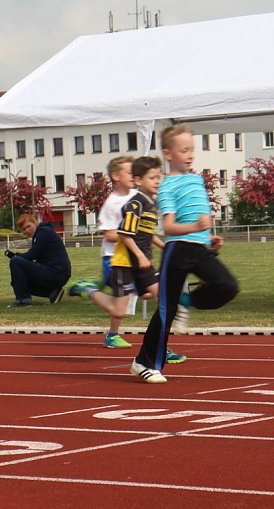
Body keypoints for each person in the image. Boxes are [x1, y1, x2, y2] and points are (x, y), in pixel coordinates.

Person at [130, 124, 239, 384]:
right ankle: (144, 363)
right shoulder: (167, 187)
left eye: (192, 149)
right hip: (177, 250)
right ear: (168, 153)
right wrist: (195, 227)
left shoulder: (197, 180)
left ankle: (187, 303)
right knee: (166, 311)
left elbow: (197, 217)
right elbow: (168, 227)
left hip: (199, 248)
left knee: (228, 286)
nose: (190, 154)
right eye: (183, 150)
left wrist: (208, 236)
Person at [66, 156, 186, 366]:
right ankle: (89, 289)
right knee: (118, 311)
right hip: (122, 262)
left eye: (159, 177)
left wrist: (163, 245)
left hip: (141, 262)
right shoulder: (127, 203)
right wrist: (138, 251)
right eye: (152, 177)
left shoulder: (147, 200)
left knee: (163, 297)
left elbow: (146, 232)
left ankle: (159, 346)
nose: (158, 181)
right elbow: (120, 234)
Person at [90, 155, 137, 349]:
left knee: (126, 301)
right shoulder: (111, 203)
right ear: (116, 176)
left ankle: (112, 334)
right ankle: (89, 289)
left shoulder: (136, 195)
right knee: (125, 301)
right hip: (114, 258)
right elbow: (109, 234)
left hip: (132, 257)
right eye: (130, 172)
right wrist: (130, 236)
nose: (134, 175)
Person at [5, 213, 71, 307]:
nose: (27, 230)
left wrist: (16, 256)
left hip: (55, 272)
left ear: (35, 222)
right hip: (59, 273)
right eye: (24, 229)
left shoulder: (43, 232)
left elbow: (31, 255)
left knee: (15, 262)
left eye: (28, 226)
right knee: (17, 282)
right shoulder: (43, 232)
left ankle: (24, 300)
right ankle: (53, 293)